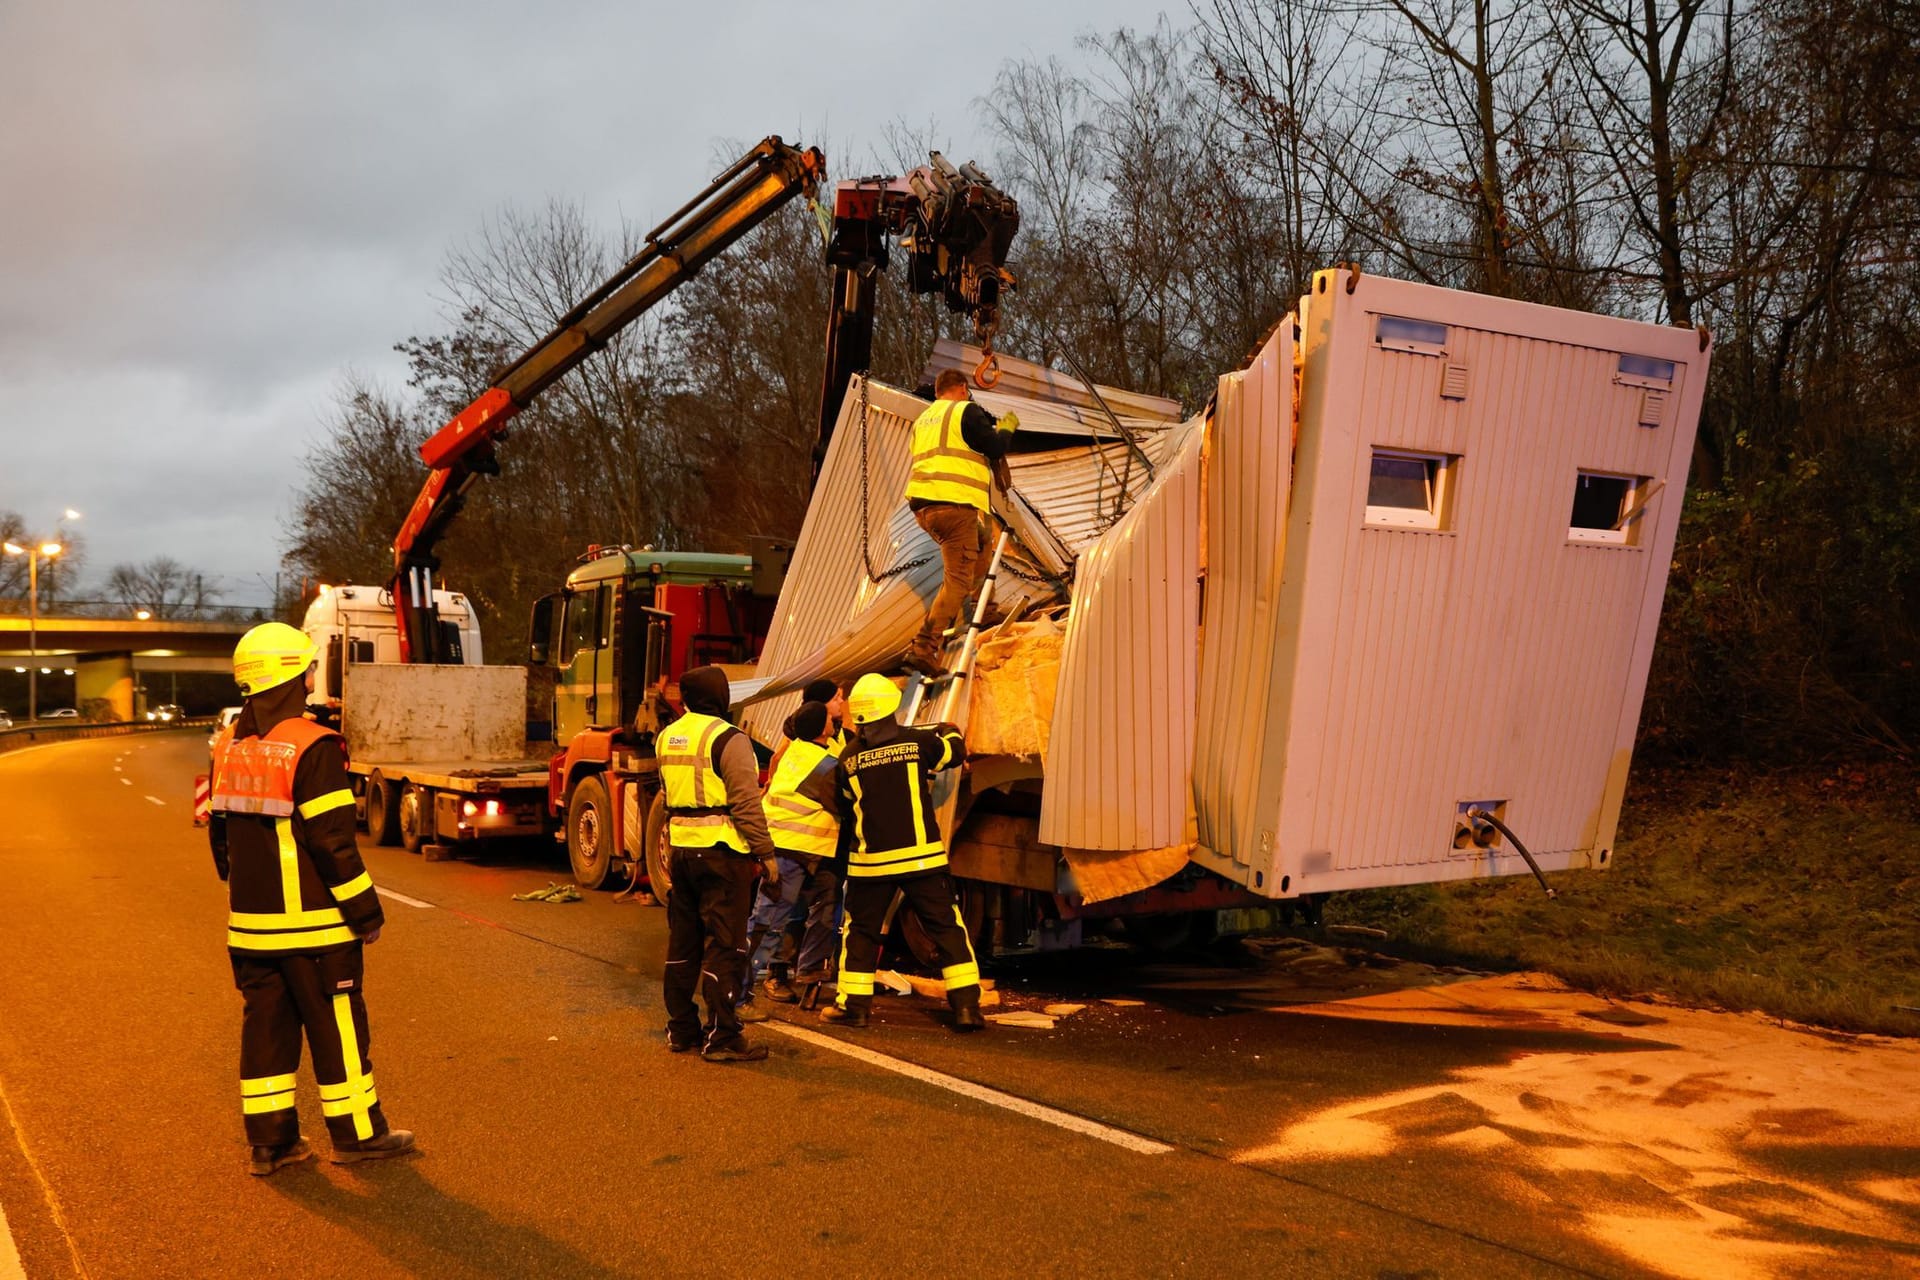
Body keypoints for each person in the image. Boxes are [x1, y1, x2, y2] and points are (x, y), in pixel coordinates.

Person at [208, 622, 413, 1175]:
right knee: (338, 1031)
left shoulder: (228, 745)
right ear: (297, 676)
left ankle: (271, 1145)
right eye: (308, 669)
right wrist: (366, 912)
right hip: (317, 929)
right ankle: (358, 1136)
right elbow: (332, 843)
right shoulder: (312, 745)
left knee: (266, 1032)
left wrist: (248, 893)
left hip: (250, 928)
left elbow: (220, 837)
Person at [825, 673, 986, 1032]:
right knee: (946, 927)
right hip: (921, 858)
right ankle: (965, 1009)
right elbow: (953, 752)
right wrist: (950, 728)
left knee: (862, 932)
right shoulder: (918, 743)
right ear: (890, 707)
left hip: (871, 864)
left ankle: (855, 1008)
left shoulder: (848, 759)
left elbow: (846, 805)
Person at [658, 665, 782, 1062]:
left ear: (688, 699)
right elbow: (746, 803)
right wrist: (766, 853)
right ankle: (723, 1037)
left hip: (681, 850)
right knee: (724, 946)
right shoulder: (729, 738)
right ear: (722, 697)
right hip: (722, 854)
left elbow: (665, 794)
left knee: (683, 943)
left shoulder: (667, 737)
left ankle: (681, 1030)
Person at [904, 368, 1019, 674]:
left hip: (925, 508)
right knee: (958, 580)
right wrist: (1006, 428)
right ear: (962, 388)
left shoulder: (922, 421)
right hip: (954, 506)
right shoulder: (965, 411)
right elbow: (994, 447)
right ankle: (923, 647)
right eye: (968, 391)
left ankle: (986, 609)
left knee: (982, 538)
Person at [737, 700, 843, 1015]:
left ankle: (809, 970)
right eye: (830, 713)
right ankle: (738, 995)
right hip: (792, 851)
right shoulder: (823, 765)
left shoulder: (797, 750)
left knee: (820, 908)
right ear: (821, 727)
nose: (835, 713)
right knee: (769, 924)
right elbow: (844, 803)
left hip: (797, 850)